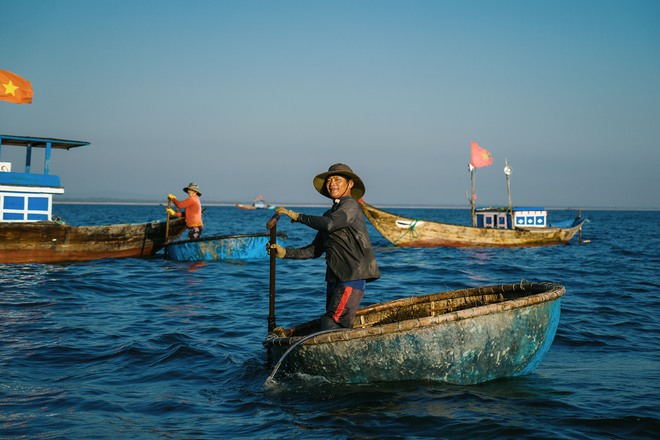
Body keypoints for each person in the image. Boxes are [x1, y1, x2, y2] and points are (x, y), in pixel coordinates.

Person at [268, 163, 380, 330]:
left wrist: (298, 216)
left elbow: (330, 224)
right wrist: (285, 253)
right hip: (335, 277)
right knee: (334, 323)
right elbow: (314, 250)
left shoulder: (351, 206)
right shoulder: (328, 215)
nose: (332, 183)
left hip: (352, 275)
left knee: (332, 321)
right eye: (329, 180)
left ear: (349, 184)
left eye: (337, 179)